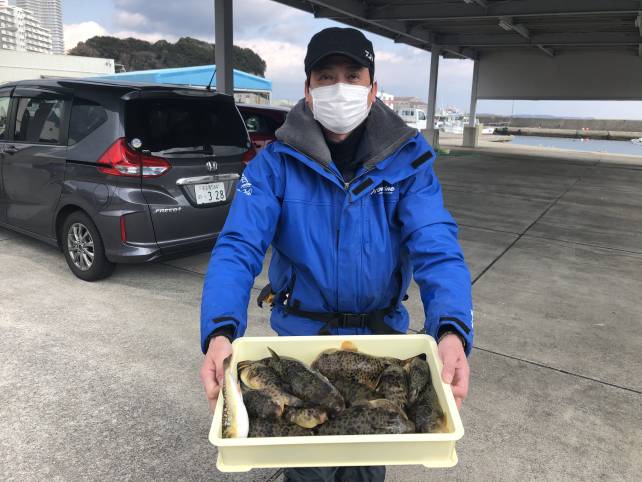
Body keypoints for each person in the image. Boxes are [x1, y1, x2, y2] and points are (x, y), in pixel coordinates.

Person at [199, 27, 473, 482]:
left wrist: (452, 330)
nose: (339, 87)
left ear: (372, 89)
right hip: (302, 343)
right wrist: (220, 330)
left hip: (380, 343)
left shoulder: (409, 164)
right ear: (308, 90)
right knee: (307, 463)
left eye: (352, 75)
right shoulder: (274, 165)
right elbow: (238, 246)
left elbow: (437, 248)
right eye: (325, 77)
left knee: (367, 463)